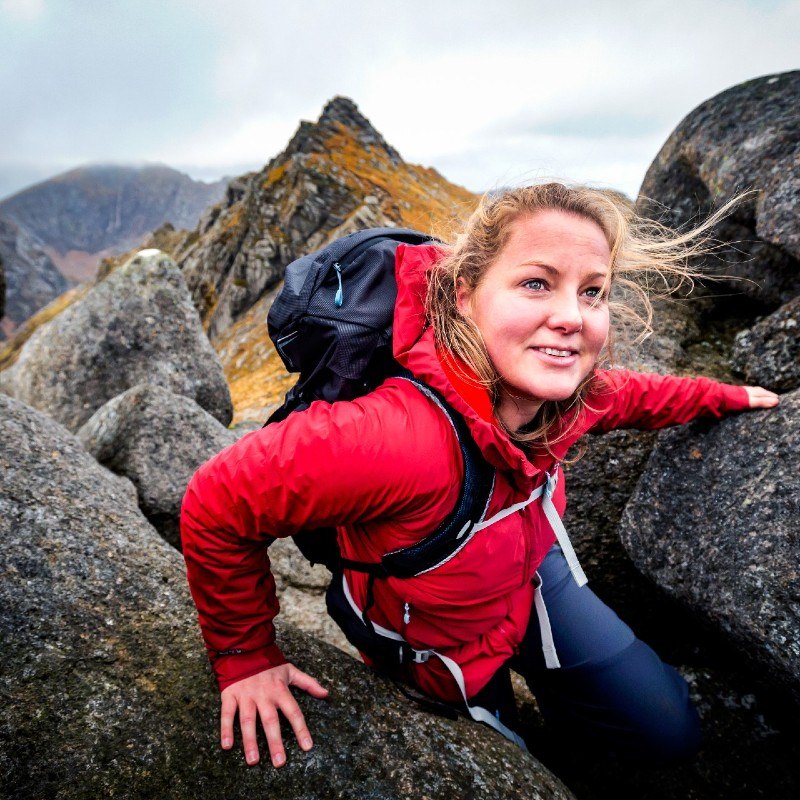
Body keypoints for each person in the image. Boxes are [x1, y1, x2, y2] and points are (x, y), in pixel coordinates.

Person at [180, 183, 779, 769]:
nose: (571, 316)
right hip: (438, 639)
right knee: (503, 762)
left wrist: (726, 396)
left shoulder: (564, 398)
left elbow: (632, 396)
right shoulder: (393, 438)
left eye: (593, 291)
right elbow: (216, 500)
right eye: (536, 283)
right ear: (465, 295)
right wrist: (245, 657)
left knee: (669, 731)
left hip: (532, 578)